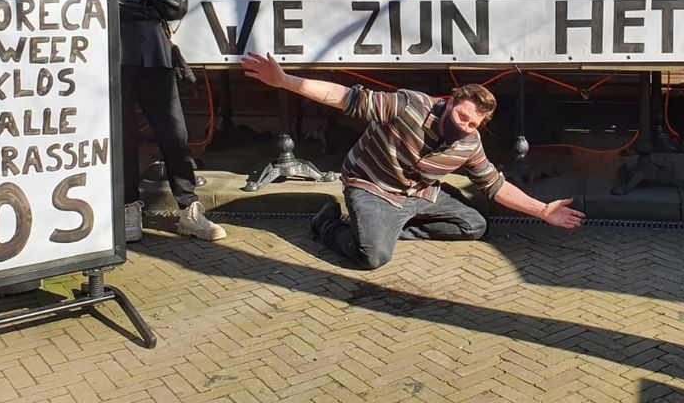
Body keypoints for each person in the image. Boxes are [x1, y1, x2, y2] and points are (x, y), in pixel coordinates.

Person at [239, 53, 586, 270]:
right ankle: (328, 224)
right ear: (450, 103)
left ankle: (390, 227)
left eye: (473, 124)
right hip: (372, 186)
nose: (464, 126)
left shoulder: (470, 143)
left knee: (474, 226)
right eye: (462, 116)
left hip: (418, 194)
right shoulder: (408, 105)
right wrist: (285, 81)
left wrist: (543, 210)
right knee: (372, 257)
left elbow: (494, 185)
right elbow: (344, 97)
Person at [89, 0, 226, 244]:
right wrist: (156, 2)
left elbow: (179, 6)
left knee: (174, 134)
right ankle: (128, 208)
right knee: (123, 136)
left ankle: (189, 209)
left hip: (157, 55)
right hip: (118, 55)